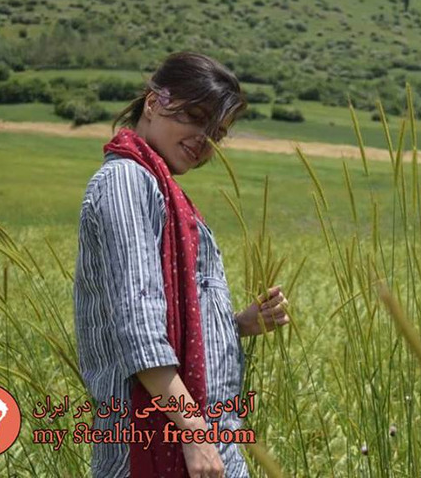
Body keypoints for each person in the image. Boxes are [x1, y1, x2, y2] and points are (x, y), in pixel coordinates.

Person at [73, 51, 291, 478]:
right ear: (153, 102)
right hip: (161, 441)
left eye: (217, 133)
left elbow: (166, 313)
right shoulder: (126, 183)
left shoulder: (159, 188)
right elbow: (139, 327)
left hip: (205, 437)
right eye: (194, 116)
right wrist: (194, 433)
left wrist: (235, 325)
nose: (203, 140)